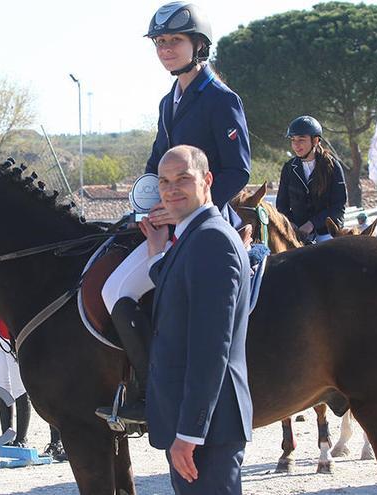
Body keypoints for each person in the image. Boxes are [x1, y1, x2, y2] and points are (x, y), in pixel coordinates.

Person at [98, 1, 251, 423]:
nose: (165, 48)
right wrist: (144, 207)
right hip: (169, 217)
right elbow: (155, 165)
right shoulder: (169, 102)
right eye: (160, 42)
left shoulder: (221, 98)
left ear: (198, 45)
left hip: (207, 221)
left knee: (116, 292)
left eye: (174, 40)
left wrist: (191, 213)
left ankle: (153, 392)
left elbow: (238, 170)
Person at [139, 145, 253, 494]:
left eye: (183, 179)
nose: (172, 189)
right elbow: (180, 285)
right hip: (196, 424)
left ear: (207, 180)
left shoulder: (211, 240)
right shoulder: (193, 235)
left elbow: (210, 348)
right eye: (164, 181)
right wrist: (157, 254)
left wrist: (189, 433)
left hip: (207, 429)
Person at [0, 295, 68, 460]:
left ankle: (22, 438)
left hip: (12, 337)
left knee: (19, 387)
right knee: (1, 386)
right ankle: (6, 435)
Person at [276, 115, 348, 243]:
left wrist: (312, 224)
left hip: (326, 231)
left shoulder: (333, 166)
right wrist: (290, 223)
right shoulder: (289, 168)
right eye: (293, 140)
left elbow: (338, 206)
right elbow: (282, 205)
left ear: (315, 140)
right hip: (297, 231)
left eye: (301, 140)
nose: (296, 145)